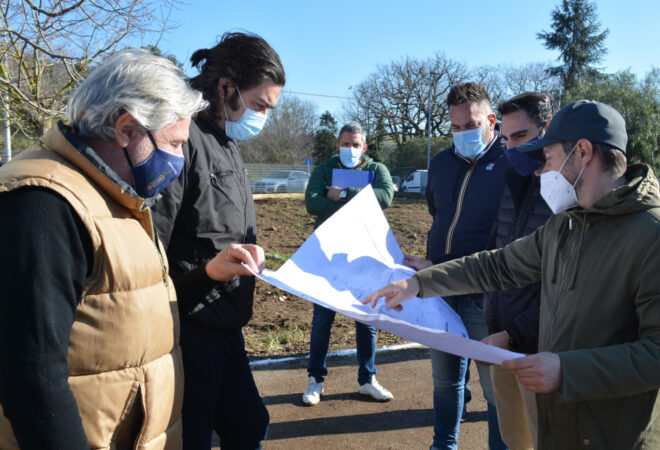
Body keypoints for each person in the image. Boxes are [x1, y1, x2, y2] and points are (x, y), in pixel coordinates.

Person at [365, 100, 660, 449]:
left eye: (551, 159)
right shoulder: (567, 223)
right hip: (560, 426)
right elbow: (498, 266)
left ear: (583, 152)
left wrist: (567, 371)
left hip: (616, 435)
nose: (542, 172)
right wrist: (419, 283)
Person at [0, 50, 264, 449]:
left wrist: (209, 272)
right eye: (175, 143)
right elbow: (32, 380)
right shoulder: (43, 205)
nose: (179, 159)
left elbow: (143, 298)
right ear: (126, 129)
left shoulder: (118, 199)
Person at [151, 32, 284, 449]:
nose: (263, 116)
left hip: (228, 324)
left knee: (248, 424)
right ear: (225, 87)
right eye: (260, 104)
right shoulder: (181, 139)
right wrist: (207, 273)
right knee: (192, 436)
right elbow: (151, 251)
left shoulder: (227, 141)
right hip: (190, 332)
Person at [403, 82, 509, 450]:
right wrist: (434, 266)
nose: (462, 133)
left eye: (471, 124)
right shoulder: (442, 163)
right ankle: (442, 446)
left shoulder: (512, 164)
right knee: (446, 383)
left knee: (497, 391)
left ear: (491, 120)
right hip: (443, 292)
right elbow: (438, 213)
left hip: (488, 295)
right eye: (455, 127)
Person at [481, 92, 555, 450]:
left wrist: (514, 333)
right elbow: (499, 260)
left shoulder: (565, 194)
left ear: (548, 129)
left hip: (543, 350)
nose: (510, 148)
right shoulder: (512, 184)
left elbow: (566, 287)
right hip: (505, 342)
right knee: (515, 440)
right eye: (506, 139)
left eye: (521, 137)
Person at [302, 122, 395, 405]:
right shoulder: (324, 169)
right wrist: (360, 199)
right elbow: (312, 202)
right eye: (345, 144)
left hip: (363, 255)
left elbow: (385, 197)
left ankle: (367, 379)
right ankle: (315, 379)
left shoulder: (377, 170)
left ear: (364, 148)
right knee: (322, 321)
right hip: (328, 254)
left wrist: (342, 194)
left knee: (366, 319)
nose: (350, 149)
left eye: (355, 145)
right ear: (337, 145)